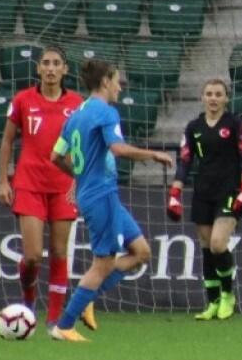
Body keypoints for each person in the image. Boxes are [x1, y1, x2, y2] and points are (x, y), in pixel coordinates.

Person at [50, 59, 173, 342]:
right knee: (103, 263)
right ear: (105, 81)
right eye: (117, 80)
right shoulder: (106, 113)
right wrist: (153, 155)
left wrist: (79, 177)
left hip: (96, 193)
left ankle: (87, 299)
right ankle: (64, 325)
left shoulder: (76, 114)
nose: (120, 86)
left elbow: (56, 157)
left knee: (141, 251)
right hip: (101, 194)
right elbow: (117, 148)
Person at [0, 46, 86, 337]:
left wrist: (80, 181)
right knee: (33, 255)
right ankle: (28, 303)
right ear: (38, 69)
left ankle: (54, 319)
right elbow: (8, 141)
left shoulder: (77, 103)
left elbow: (84, 146)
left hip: (63, 186)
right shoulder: (23, 100)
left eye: (56, 63)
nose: (50, 68)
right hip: (30, 183)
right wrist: (3, 181)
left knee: (60, 251)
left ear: (65, 70)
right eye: (45, 63)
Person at [169, 78, 242, 321]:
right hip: (203, 192)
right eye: (209, 94)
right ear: (202, 98)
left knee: (218, 243)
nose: (214, 98)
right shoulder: (193, 127)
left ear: (226, 99)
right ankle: (213, 302)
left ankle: (228, 294)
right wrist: (175, 192)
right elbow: (185, 160)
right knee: (206, 248)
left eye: (218, 94)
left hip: (229, 190)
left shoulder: (235, 124)